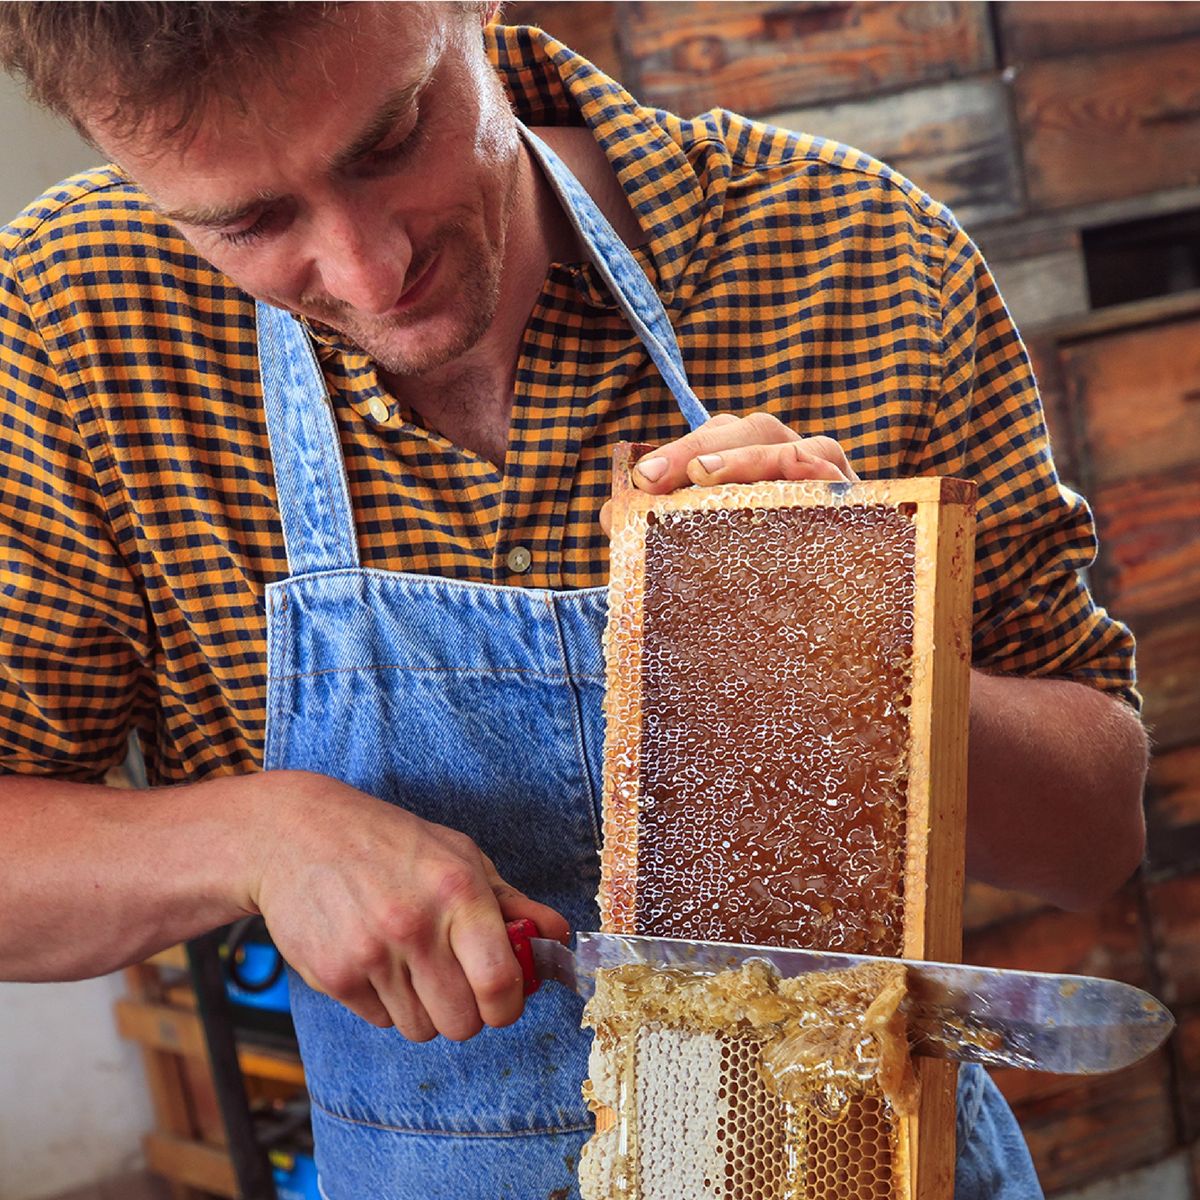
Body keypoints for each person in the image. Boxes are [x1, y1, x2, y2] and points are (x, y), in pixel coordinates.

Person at [0, 3, 1147, 1198]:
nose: (366, 270)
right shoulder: (71, 324)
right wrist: (255, 836)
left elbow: (1097, 835)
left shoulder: (857, 255)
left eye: (392, 137)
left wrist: (853, 646)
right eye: (247, 223)